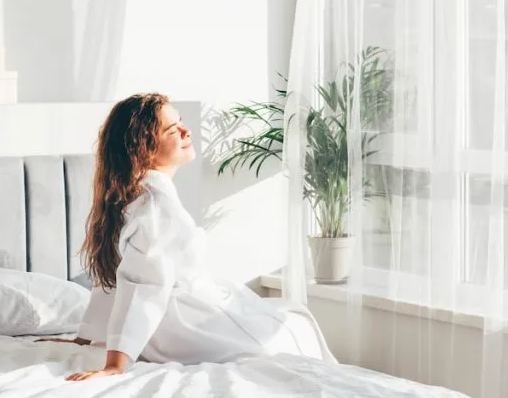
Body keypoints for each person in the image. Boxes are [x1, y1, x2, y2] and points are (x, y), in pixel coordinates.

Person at [40, 93, 334, 381]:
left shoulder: (132, 196)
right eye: (172, 130)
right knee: (287, 329)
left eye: (180, 122)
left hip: (169, 322)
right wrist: (116, 363)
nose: (186, 130)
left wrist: (86, 337)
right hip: (178, 327)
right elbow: (142, 284)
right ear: (144, 148)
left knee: (287, 317)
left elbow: (114, 279)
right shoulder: (155, 204)